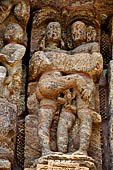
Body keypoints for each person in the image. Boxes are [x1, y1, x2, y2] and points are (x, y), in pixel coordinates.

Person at [29, 21, 103, 156]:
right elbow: (36, 67)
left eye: (57, 28)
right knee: (48, 117)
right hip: (49, 83)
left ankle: (56, 151)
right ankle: (49, 151)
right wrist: (74, 61)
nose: (54, 31)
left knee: (55, 117)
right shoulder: (42, 53)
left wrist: (60, 61)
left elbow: (95, 65)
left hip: (64, 89)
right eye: (50, 28)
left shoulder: (75, 52)